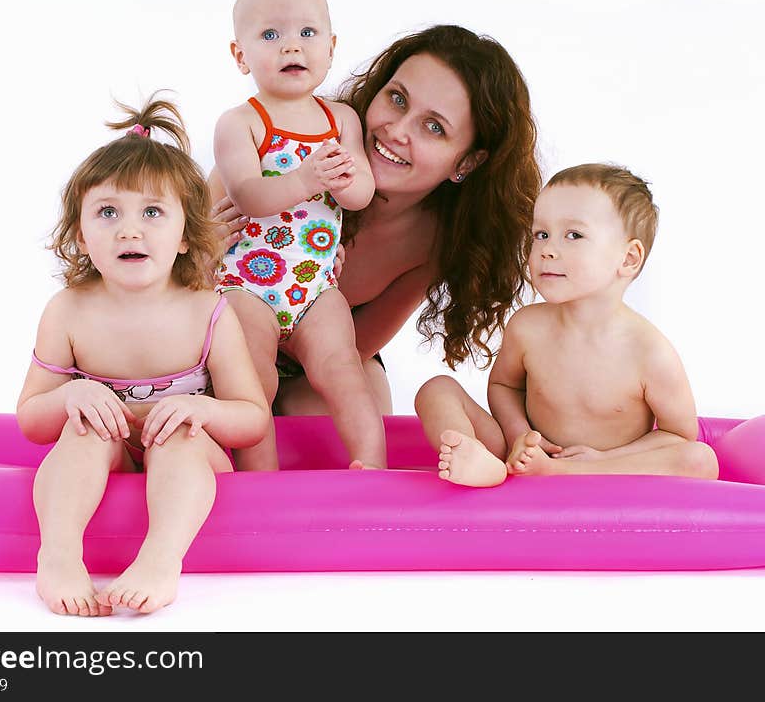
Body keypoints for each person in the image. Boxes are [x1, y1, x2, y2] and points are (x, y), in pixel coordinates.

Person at [211, 23, 540, 449]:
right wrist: (199, 262)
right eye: (397, 99)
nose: (397, 130)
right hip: (218, 327)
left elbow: (359, 345)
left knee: (337, 412)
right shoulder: (285, 146)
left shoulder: (435, 241)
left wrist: (307, 293)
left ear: (468, 163)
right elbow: (163, 270)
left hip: (326, 350)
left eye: (434, 127)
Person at [16, 94, 269, 616]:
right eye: (108, 212)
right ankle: (59, 554)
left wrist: (204, 409)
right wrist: (70, 394)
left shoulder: (209, 311)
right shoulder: (68, 311)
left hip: (188, 457)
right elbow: (31, 421)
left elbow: (253, 419)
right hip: (105, 453)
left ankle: (160, 558)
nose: (129, 230)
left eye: (152, 212)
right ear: (81, 236)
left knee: (179, 435)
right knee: (81, 431)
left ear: (183, 236)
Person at [415, 163, 719, 486]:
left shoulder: (649, 352)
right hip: (521, 460)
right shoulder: (527, 327)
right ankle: (472, 456)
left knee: (700, 459)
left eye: (573, 235)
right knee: (436, 390)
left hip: (606, 474)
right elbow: (504, 387)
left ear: (628, 259)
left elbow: (678, 436)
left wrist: (602, 460)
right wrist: (521, 436)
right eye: (541, 234)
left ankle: (564, 472)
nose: (547, 250)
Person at [213, 0, 384, 470]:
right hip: (248, 283)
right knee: (253, 377)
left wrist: (348, 181)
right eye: (270, 35)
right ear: (240, 54)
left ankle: (371, 465)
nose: (292, 45)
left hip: (315, 283)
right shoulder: (242, 122)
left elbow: (359, 197)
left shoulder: (341, 120)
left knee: (343, 368)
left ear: (330, 48)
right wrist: (308, 176)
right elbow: (248, 193)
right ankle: (260, 479)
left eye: (307, 33)